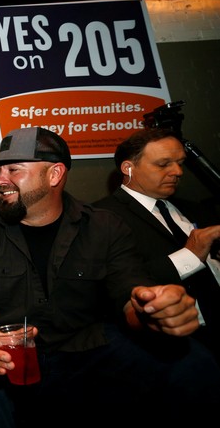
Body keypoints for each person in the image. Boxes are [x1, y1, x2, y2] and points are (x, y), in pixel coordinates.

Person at [0, 127, 220, 428]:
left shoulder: (104, 226)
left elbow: (129, 296)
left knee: (192, 363)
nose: (0, 181)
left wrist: (153, 310)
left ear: (55, 175)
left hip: (85, 345)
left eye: (14, 170)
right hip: (9, 352)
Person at [93, 128, 220, 356]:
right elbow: (113, 288)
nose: (178, 171)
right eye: (163, 164)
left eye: (180, 162)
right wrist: (190, 255)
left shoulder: (197, 208)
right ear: (128, 167)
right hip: (176, 346)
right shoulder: (100, 217)